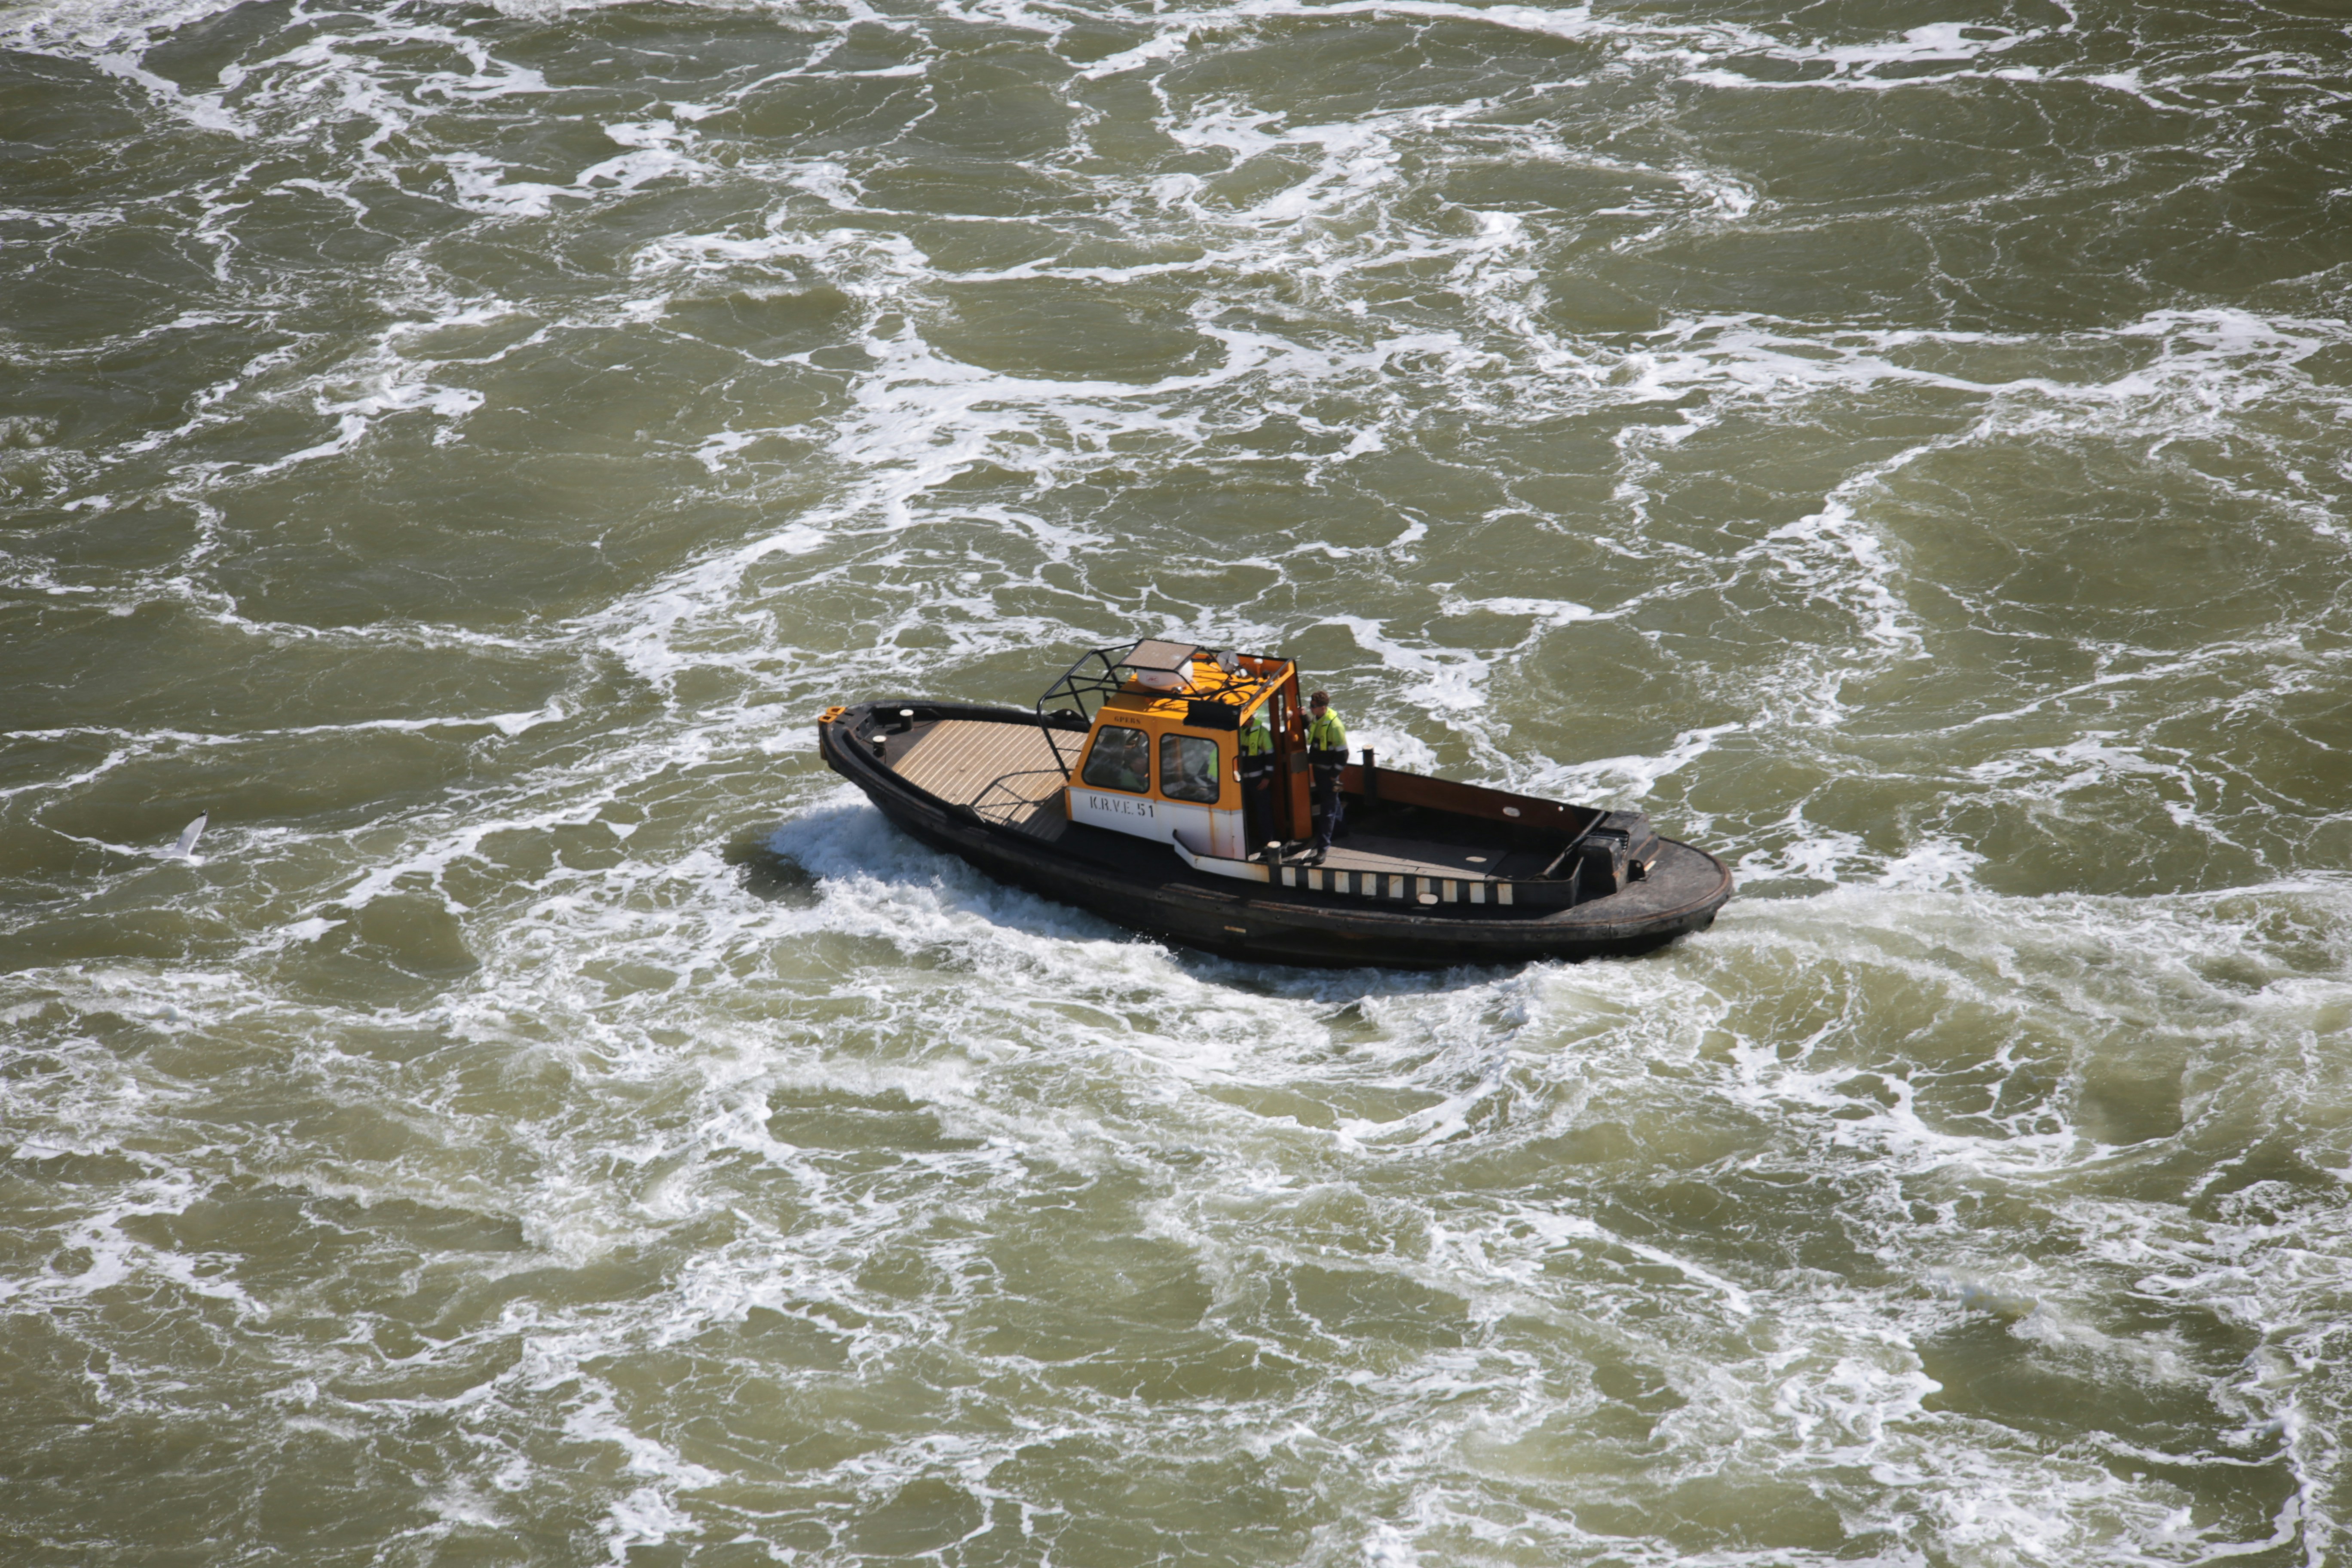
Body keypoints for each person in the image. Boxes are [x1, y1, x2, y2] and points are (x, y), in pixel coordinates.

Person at [1305, 690, 1348, 858]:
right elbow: (1313, 732)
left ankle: (1323, 848)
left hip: (1328, 773)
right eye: (1310, 705)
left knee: (1327, 810)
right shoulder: (1318, 719)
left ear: (1323, 708)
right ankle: (1341, 830)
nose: (1311, 708)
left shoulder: (1335, 725)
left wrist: (1333, 774)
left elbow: (1344, 754)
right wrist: (1304, 718)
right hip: (1318, 769)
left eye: (1313, 707)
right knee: (1332, 803)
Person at [1238, 707, 1277, 855]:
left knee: (1264, 812)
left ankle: (1269, 844)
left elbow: (1271, 756)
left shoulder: (1262, 732)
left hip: (1259, 781)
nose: (1248, 721)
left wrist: (1267, 778)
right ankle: (1247, 841)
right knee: (1244, 812)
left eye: (1249, 718)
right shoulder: (1239, 731)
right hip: (1241, 781)